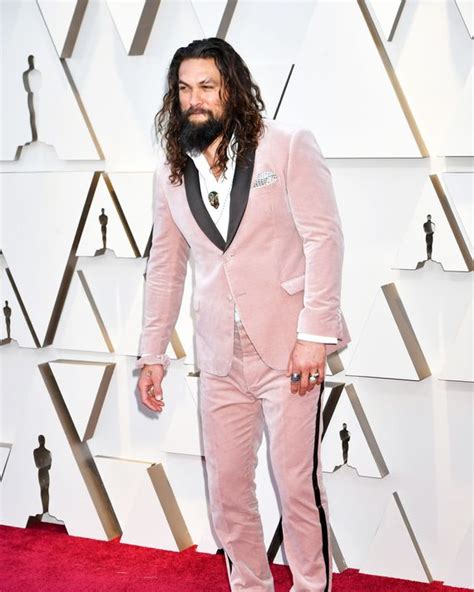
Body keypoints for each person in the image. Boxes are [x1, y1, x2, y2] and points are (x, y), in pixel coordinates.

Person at [136, 37, 350, 592]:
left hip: (289, 348)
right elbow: (165, 267)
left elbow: (324, 239)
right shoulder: (171, 172)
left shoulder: (286, 145)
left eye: (206, 85)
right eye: (184, 89)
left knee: (296, 485)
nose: (194, 99)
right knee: (228, 492)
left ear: (231, 87)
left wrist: (315, 336)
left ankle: (311, 586)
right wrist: (152, 354)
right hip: (219, 356)